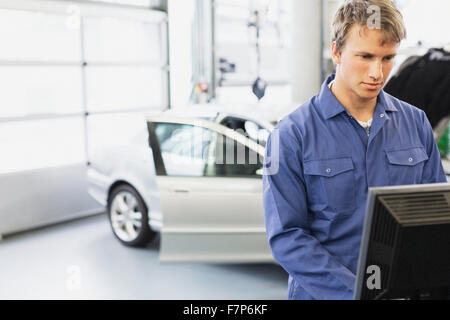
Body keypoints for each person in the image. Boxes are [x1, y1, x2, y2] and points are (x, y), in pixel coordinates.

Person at [262, 0, 447, 300]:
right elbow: (288, 238)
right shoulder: (292, 135)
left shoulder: (416, 123)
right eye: (365, 56)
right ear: (336, 51)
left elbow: (433, 220)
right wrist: (358, 294)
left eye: (388, 58)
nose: (378, 72)